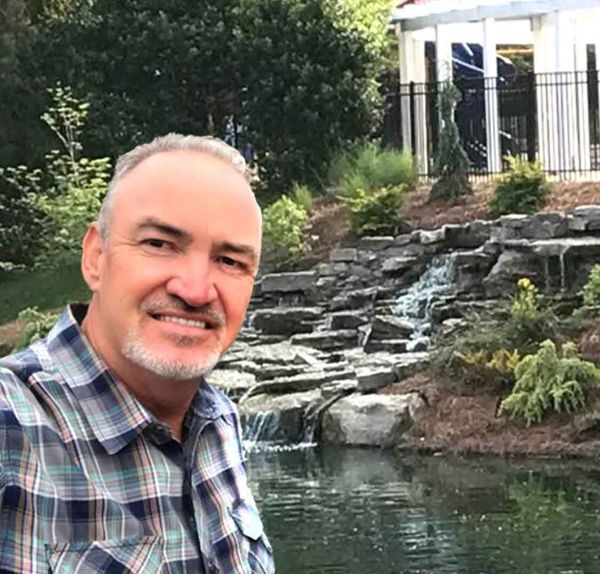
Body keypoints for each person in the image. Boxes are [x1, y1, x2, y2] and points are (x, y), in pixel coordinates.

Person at [0, 134, 275, 574]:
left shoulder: (218, 421)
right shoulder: (12, 428)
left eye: (230, 261)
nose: (196, 289)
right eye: (159, 244)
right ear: (95, 257)